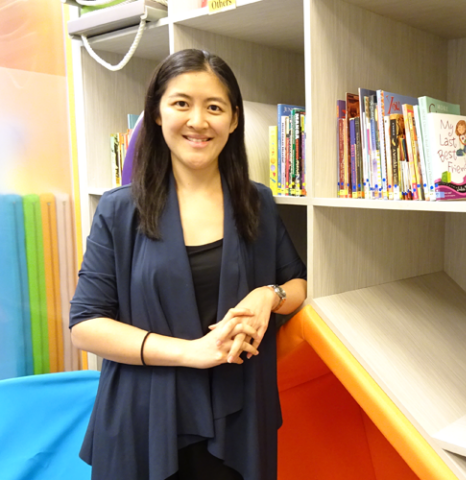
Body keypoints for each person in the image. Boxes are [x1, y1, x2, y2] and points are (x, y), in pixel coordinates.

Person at [69, 49, 307, 480]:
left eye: (214, 107)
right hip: (145, 418)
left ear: (233, 120)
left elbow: (297, 284)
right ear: (157, 113)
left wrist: (267, 296)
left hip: (239, 417)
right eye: (181, 103)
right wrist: (191, 353)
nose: (198, 121)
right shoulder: (119, 209)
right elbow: (85, 324)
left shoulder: (256, 202)